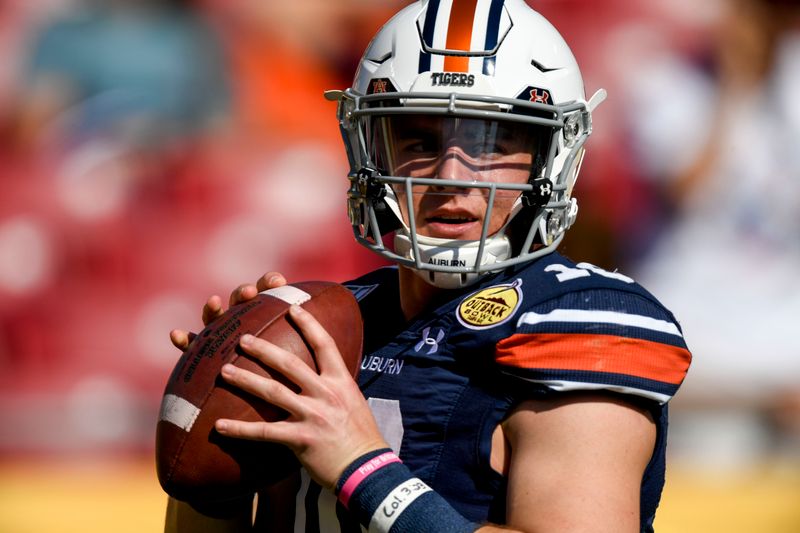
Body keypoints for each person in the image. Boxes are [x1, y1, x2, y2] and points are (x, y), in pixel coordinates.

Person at [164, 1, 692, 531]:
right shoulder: (326, 322)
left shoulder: (579, 319)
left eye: (491, 140)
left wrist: (362, 470)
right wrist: (220, 445)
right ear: (372, 152)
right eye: (419, 139)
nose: (451, 175)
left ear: (551, 157)